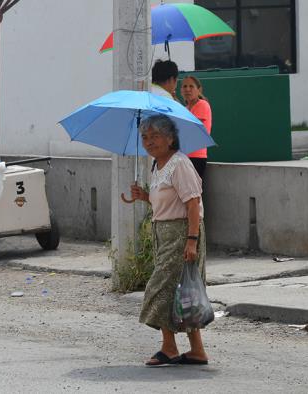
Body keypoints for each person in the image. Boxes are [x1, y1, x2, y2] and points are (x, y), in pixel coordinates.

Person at [123, 114, 209, 366]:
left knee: (160, 288)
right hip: (164, 234)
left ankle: (169, 347)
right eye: (145, 137)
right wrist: (144, 196)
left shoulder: (179, 164)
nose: (149, 142)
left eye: (155, 136)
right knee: (185, 291)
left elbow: (192, 204)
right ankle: (197, 350)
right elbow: (166, 202)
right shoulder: (157, 165)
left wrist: (191, 240)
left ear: (170, 139)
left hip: (182, 234)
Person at [181, 76, 212, 180]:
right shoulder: (185, 109)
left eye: (191, 86)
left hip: (196, 156)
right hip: (184, 156)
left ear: (199, 90)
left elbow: (192, 130)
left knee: (192, 193)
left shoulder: (202, 105)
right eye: (184, 86)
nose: (187, 89)